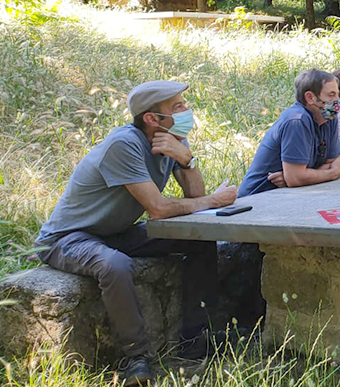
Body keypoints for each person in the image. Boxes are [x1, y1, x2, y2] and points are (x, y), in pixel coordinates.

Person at [34, 81, 239, 386]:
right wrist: (211, 201)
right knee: (114, 265)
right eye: (177, 107)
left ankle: (196, 338)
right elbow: (158, 208)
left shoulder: (172, 141)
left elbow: (196, 194)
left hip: (116, 232)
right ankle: (135, 359)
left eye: (184, 103)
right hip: (68, 238)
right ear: (152, 119)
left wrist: (187, 159)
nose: (187, 111)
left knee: (199, 236)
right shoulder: (125, 144)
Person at [239, 69, 340, 196]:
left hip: (289, 195)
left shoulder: (329, 117)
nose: (337, 100)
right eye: (331, 95)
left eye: (337, 94)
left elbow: (334, 162)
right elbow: (298, 178)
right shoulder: (297, 120)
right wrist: (330, 174)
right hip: (257, 199)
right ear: (310, 97)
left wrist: (300, 176)